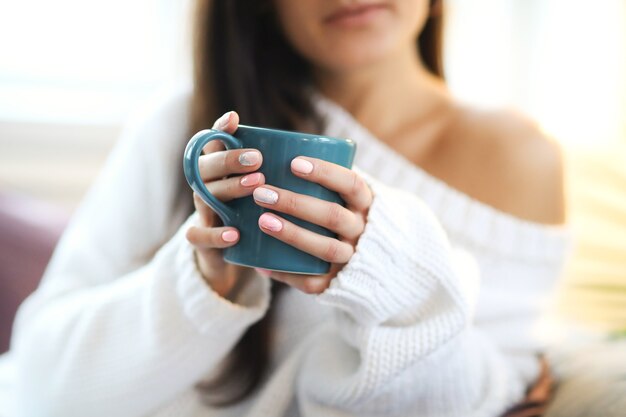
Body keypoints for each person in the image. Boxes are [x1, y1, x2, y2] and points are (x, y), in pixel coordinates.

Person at [8, 0, 570, 416]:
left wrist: (395, 278)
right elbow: (41, 385)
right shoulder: (184, 125)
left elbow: (483, 400)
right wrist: (200, 287)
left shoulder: (518, 156)